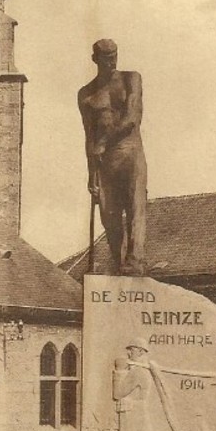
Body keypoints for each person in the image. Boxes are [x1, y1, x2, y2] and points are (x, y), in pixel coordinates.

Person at [78, 39, 147, 275]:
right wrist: (91, 173)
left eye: (115, 55)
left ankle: (136, 261)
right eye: (107, 58)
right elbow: (89, 135)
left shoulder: (131, 79)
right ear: (95, 59)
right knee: (109, 216)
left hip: (130, 152)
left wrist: (104, 143)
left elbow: (131, 117)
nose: (112, 61)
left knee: (136, 206)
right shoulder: (86, 95)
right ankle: (119, 265)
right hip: (104, 162)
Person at [112, 339, 168, 431]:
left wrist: (119, 370)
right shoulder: (140, 369)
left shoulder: (137, 371)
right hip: (134, 411)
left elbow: (118, 393)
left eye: (132, 349)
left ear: (141, 351)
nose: (128, 353)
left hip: (133, 412)